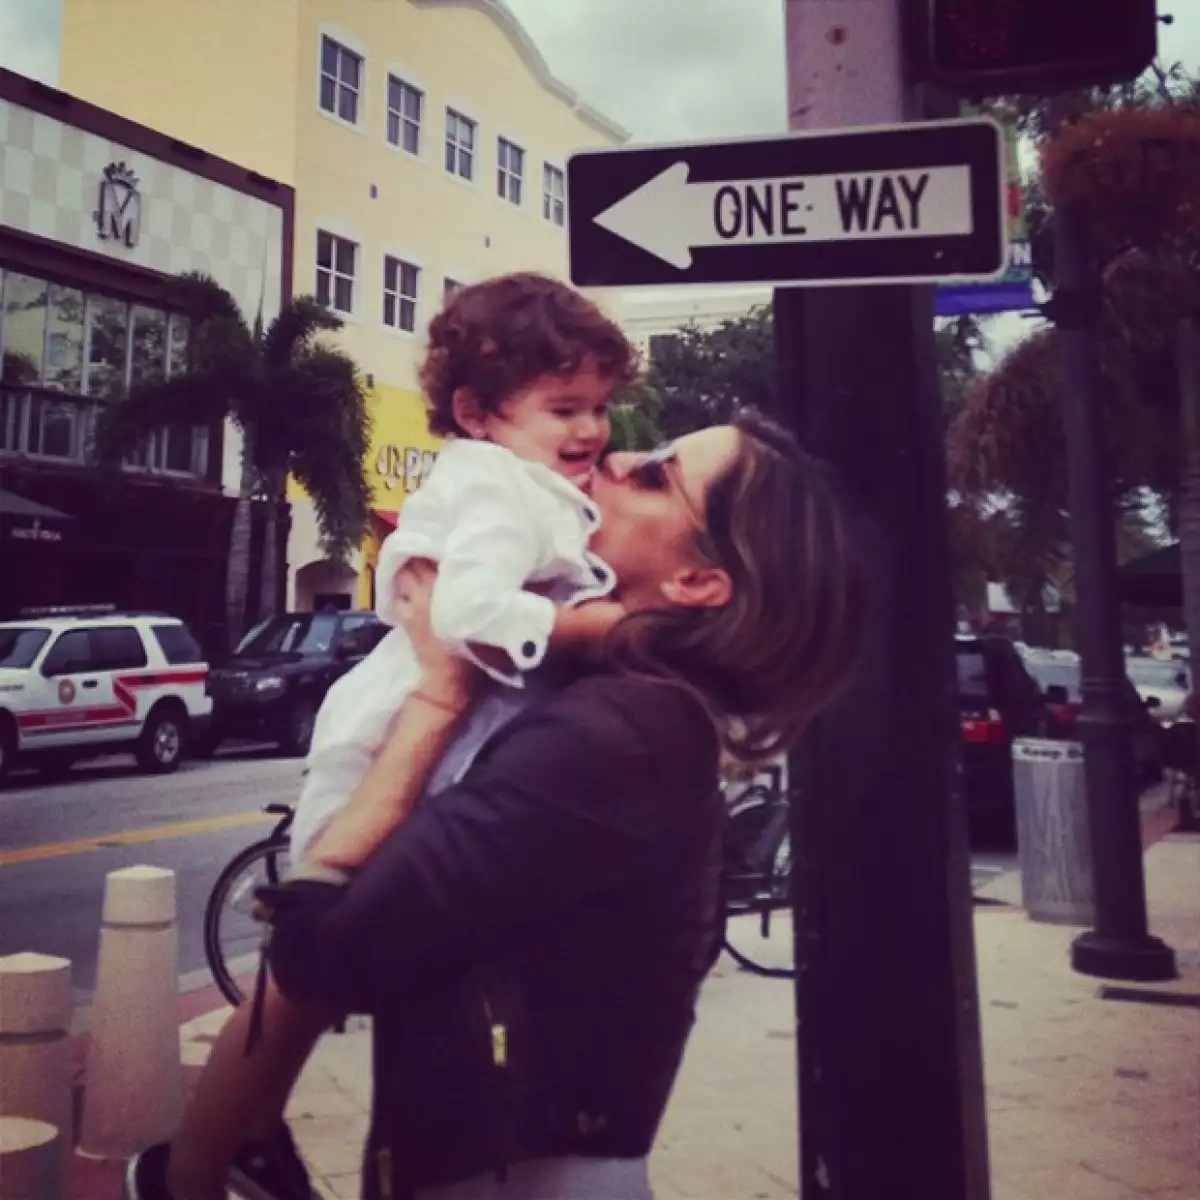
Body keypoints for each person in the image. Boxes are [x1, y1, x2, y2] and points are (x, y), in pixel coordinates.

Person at [189, 410, 865, 1200]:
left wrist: (440, 692)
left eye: (656, 474)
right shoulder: (625, 703)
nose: (616, 457)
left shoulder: (622, 733)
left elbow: (321, 956)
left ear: (696, 582)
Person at [125, 273, 641, 1200]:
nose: (591, 430)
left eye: (600, 406)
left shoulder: (531, 482)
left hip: (420, 734)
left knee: (310, 987)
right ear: (476, 412)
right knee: (301, 976)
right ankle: (189, 1171)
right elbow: (469, 613)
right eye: (564, 407)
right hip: (389, 737)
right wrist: (596, 629)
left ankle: (247, 1141)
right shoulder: (498, 485)